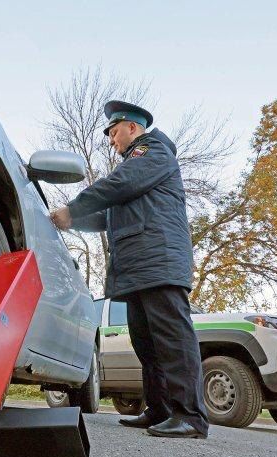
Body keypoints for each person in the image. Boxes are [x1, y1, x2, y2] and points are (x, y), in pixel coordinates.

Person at [51, 100, 208, 439]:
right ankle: (160, 409)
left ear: (132, 128)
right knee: (147, 343)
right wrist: (72, 220)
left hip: (158, 261)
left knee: (172, 339)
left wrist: (73, 207)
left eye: (113, 132)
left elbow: (118, 184)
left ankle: (190, 416)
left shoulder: (152, 152)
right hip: (140, 266)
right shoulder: (138, 169)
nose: (111, 140)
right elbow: (107, 216)